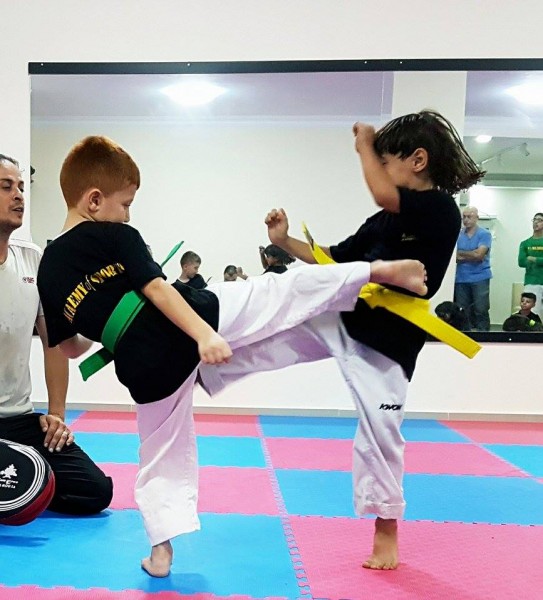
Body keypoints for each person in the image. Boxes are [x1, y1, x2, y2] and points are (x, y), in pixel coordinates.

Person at [35, 135, 428, 577]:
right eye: (125, 204)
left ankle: (160, 551)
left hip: (142, 366)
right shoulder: (116, 233)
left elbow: (69, 348)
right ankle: (375, 272)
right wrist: (203, 336)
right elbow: (158, 289)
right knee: (278, 291)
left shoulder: (47, 268)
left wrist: (107, 328)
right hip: (191, 318)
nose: (128, 214)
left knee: (161, 454)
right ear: (94, 200)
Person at [199, 110, 484, 571]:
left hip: (391, 338)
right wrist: (284, 241)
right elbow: (333, 259)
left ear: (417, 160)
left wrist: (365, 144)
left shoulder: (438, 208)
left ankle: (386, 528)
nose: (379, 170)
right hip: (345, 312)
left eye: (385, 162)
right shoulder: (383, 220)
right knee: (275, 331)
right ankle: (203, 367)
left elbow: (384, 191)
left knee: (381, 429)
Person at [0, 153, 113, 517]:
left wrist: (56, 416)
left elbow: (56, 345)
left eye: (21, 187)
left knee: (95, 491)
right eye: (6, 187)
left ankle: (20, 488)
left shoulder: (33, 259)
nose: (19, 195)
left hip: (18, 420)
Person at [453, 206, 492, 331]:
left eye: (469, 217)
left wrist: (462, 254)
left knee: (481, 309)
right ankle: (464, 335)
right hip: (461, 278)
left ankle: (484, 336)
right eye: (464, 217)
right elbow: (454, 257)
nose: (466, 220)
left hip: (480, 277)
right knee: (462, 310)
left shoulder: (484, 234)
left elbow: (479, 255)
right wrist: (472, 254)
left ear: (477, 218)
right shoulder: (458, 234)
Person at [518, 213, 543, 318]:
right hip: (532, 282)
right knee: (532, 313)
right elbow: (521, 262)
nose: (536, 222)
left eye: (540, 220)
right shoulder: (525, 243)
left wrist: (534, 259)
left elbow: (528, 259)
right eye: (534, 219)